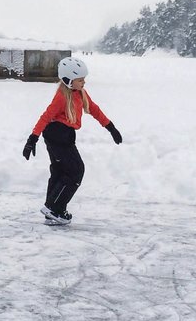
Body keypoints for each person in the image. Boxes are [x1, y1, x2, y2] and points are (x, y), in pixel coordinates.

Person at [22, 56, 121, 225]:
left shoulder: (80, 92)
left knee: (60, 172)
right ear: (68, 80)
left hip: (65, 135)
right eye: (80, 80)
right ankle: (53, 207)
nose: (84, 83)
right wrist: (32, 138)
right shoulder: (61, 97)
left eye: (84, 79)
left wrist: (110, 127)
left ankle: (54, 211)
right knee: (76, 171)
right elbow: (45, 117)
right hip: (56, 136)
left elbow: (94, 109)